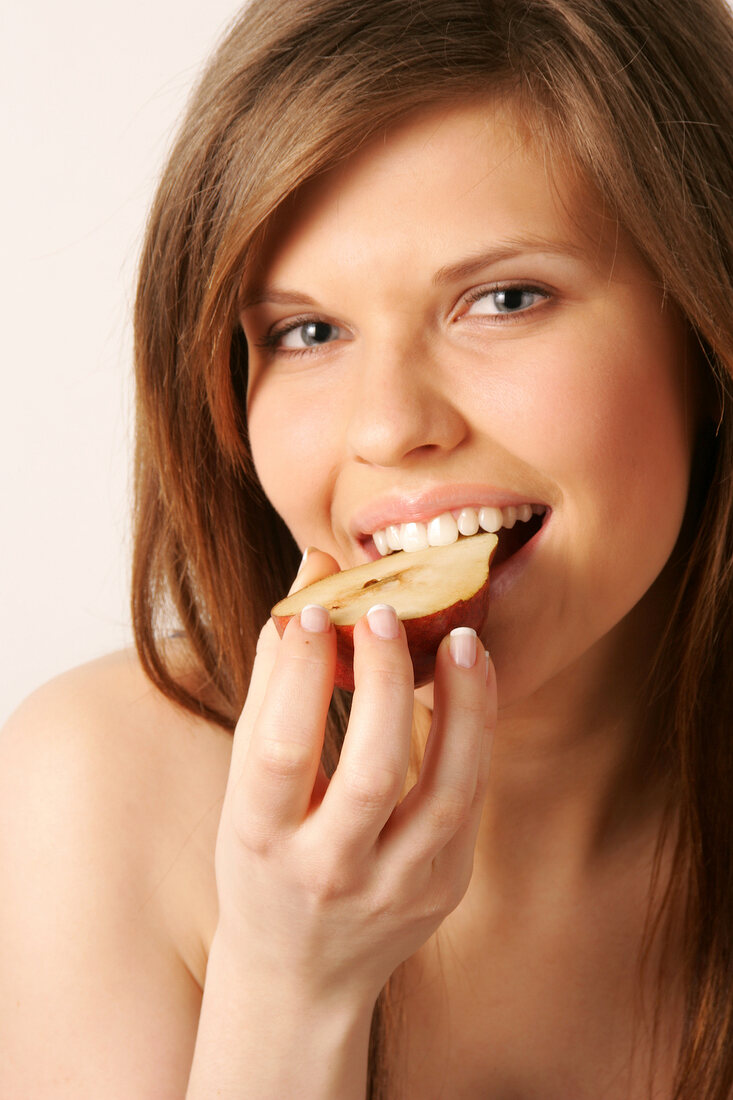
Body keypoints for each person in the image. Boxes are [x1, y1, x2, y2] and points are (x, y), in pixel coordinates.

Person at [2, 0, 732, 1095]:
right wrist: (290, 990)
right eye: (306, 331)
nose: (388, 425)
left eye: (503, 298)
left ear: (705, 325)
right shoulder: (97, 799)